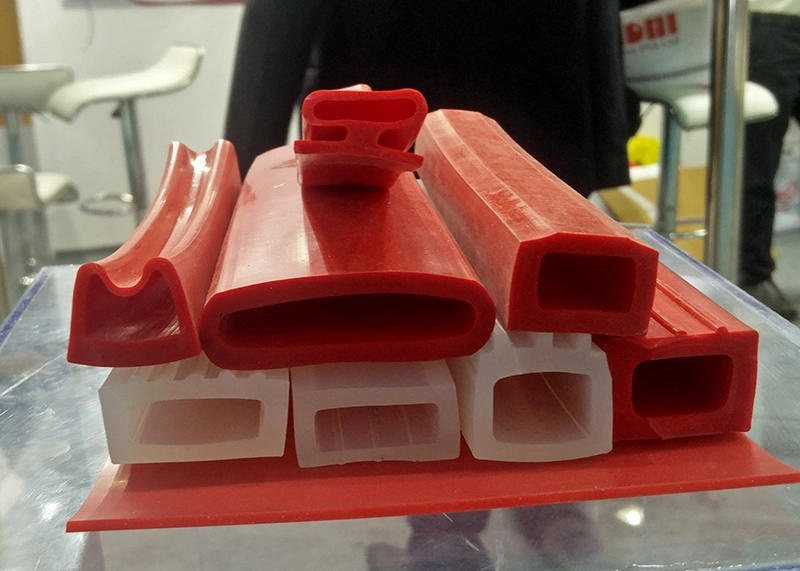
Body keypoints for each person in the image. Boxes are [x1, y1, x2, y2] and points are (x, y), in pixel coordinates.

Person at [223, 0, 639, 198]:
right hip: (543, 110)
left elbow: (276, 24)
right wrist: (605, 135)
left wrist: (245, 178)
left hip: (384, 124)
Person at [740, 0, 800, 320]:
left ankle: (752, 274)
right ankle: (751, 276)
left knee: (757, 158)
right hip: (770, 17)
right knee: (757, 160)